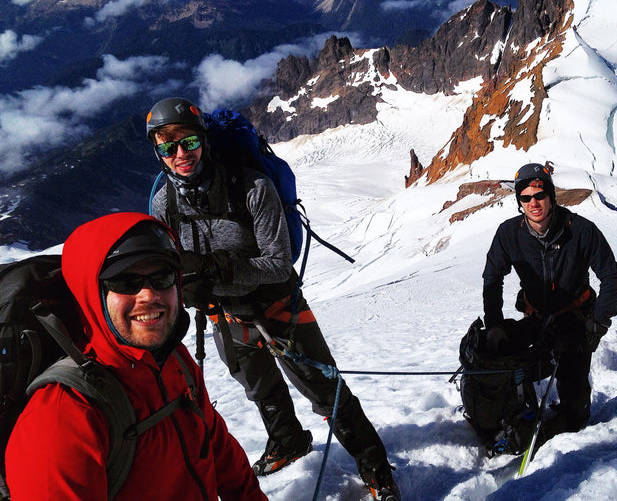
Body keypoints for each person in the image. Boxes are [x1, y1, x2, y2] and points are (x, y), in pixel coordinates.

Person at [145, 97, 400, 501]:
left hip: (279, 305)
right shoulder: (164, 205)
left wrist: (216, 270)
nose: (180, 155)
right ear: (157, 150)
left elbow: (279, 263)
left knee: (324, 388)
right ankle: (288, 440)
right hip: (225, 315)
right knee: (259, 387)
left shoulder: (251, 187)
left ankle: (376, 468)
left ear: (204, 141)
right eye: (167, 146)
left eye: (188, 143)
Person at [5, 212, 266, 500]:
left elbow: (221, 453)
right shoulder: (62, 418)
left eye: (162, 277)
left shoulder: (173, 360)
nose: (148, 295)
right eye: (125, 282)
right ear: (92, 291)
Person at [482, 163, 617, 438]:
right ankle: (515, 414)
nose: (533, 203)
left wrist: (597, 323)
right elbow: (492, 278)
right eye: (525, 197)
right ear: (519, 202)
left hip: (575, 321)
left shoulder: (580, 230)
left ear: (550, 196)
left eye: (539, 195)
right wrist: (494, 324)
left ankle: (566, 413)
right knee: (496, 357)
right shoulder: (509, 234)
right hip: (535, 319)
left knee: (575, 417)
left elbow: (612, 276)